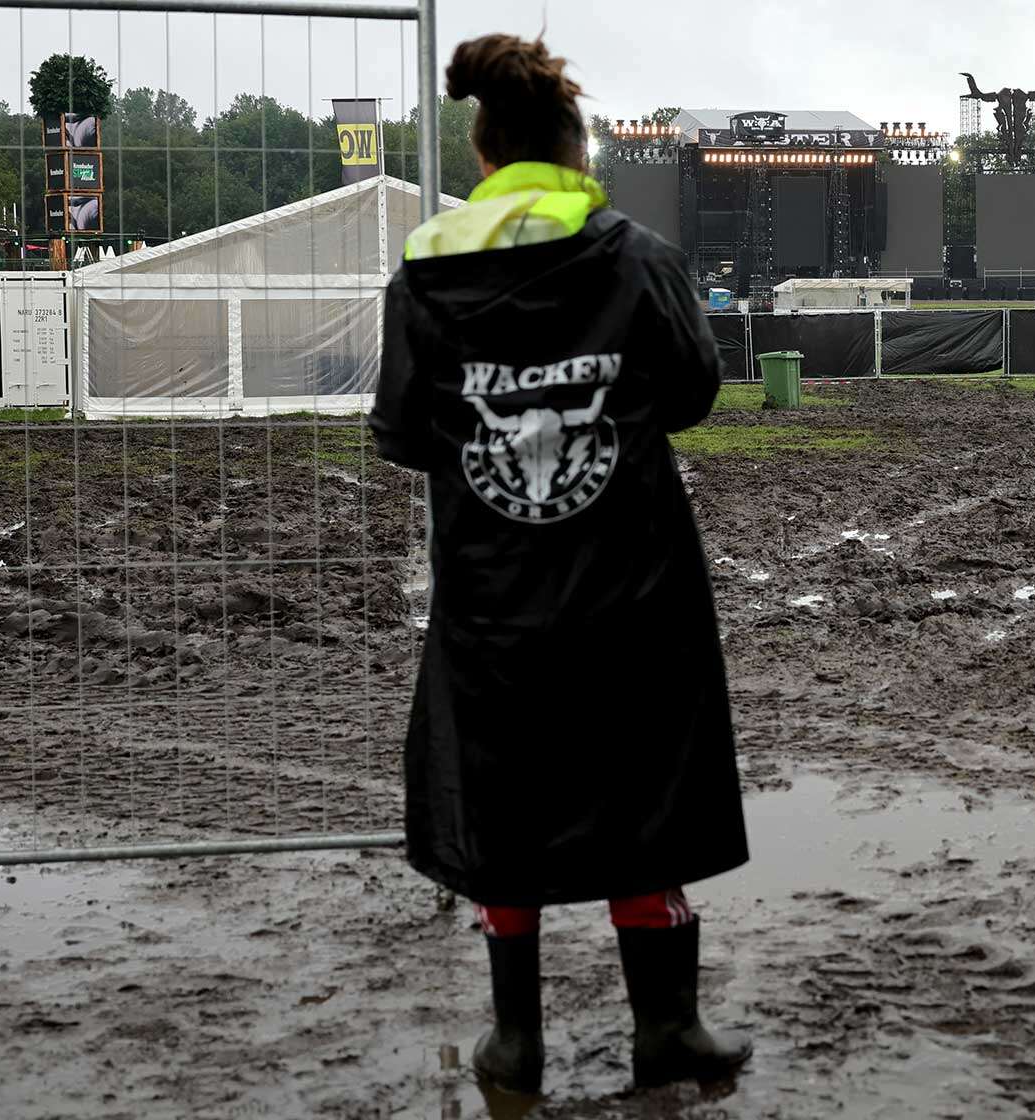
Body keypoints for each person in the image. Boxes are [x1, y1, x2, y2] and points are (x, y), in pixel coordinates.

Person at [369, 33, 752, 1097]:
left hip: (492, 600)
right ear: (577, 153)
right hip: (632, 592)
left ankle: (514, 1042)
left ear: (486, 155)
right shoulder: (635, 254)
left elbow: (399, 431)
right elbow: (689, 395)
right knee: (643, 799)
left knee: (501, 804)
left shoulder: (426, 270)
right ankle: (667, 1029)